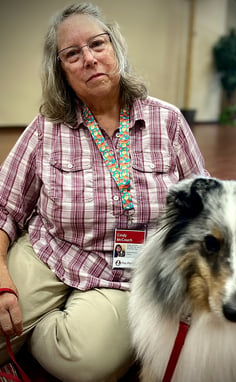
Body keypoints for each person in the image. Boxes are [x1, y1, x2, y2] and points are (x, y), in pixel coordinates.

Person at [0, 2, 208, 381]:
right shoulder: (46, 128)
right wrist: (1, 276)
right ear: (61, 69)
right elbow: (4, 207)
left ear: (116, 50)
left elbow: (204, 205)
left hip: (124, 272)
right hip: (51, 251)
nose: (90, 59)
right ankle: (30, 324)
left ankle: (29, 335)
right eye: (72, 54)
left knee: (90, 364)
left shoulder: (168, 121)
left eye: (97, 44)